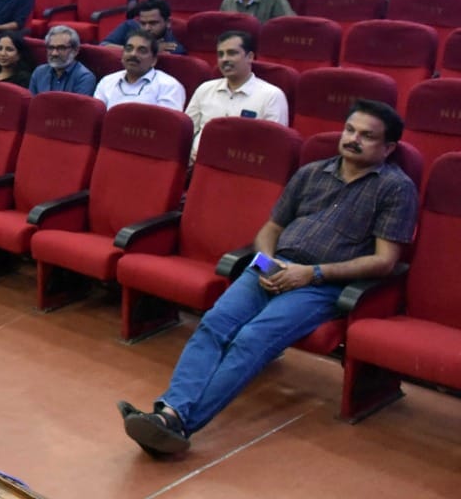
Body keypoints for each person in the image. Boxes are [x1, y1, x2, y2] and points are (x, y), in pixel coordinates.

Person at [119, 100, 417, 456]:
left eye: (367, 136)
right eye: (350, 130)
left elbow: (385, 261)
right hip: (272, 266)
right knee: (214, 324)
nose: (353, 139)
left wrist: (312, 273)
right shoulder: (311, 172)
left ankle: (177, 422)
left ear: (388, 148)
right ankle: (171, 415)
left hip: (321, 284)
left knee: (252, 338)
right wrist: (267, 263)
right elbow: (271, 228)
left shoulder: (396, 189)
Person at [184, 30, 288, 162]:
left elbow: (274, 146)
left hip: (242, 168)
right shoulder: (205, 89)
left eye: (232, 53)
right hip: (197, 166)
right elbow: (186, 132)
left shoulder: (272, 95)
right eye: (220, 54)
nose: (225, 59)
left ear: (250, 57)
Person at [94, 31, 186, 110]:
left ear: (154, 60)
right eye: (129, 49)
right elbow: (96, 117)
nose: (133, 54)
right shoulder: (107, 81)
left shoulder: (169, 86)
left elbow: (167, 125)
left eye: (142, 51)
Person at [100, 0, 184, 54]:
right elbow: (103, 46)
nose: (147, 28)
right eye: (143, 23)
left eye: (153, 23)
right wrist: (149, 49)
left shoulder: (172, 48)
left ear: (168, 22)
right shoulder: (129, 26)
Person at [29, 25, 97, 96]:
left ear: (75, 51)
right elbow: (32, 104)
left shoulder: (84, 78)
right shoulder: (39, 72)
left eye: (61, 48)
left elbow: (78, 107)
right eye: (51, 47)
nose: (54, 53)